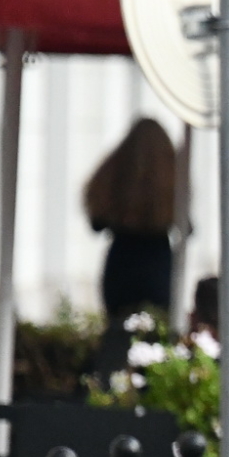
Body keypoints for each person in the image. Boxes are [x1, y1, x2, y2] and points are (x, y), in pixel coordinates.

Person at [83, 119, 180, 319]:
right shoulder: (173, 176)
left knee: (119, 326)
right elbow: (186, 227)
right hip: (157, 259)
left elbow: (96, 222)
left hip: (122, 258)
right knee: (156, 326)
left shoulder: (114, 173)